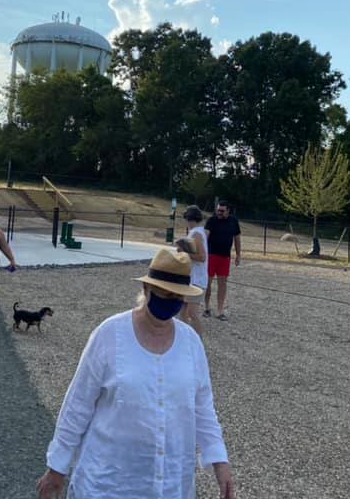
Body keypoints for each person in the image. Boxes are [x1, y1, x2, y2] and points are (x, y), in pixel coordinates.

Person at [36, 248, 234, 499]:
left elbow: (203, 408)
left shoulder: (191, 343)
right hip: (109, 485)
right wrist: (57, 467)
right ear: (146, 290)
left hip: (172, 485)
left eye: (177, 296)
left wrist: (220, 461)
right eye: (164, 293)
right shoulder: (109, 334)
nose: (170, 300)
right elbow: (78, 404)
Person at [204, 200, 241, 321]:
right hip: (211, 256)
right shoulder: (211, 221)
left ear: (228, 211)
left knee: (222, 284)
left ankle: (220, 310)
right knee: (207, 283)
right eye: (218, 210)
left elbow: (237, 238)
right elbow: (206, 236)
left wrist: (238, 254)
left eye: (222, 211)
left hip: (225, 257)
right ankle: (207, 307)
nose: (219, 212)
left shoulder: (233, 221)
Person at [177, 204, 208, 337]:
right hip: (191, 277)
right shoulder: (198, 232)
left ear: (189, 219)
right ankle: (184, 337)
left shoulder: (196, 233)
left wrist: (184, 252)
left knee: (192, 313)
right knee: (182, 310)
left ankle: (198, 340)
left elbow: (202, 257)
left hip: (197, 279)